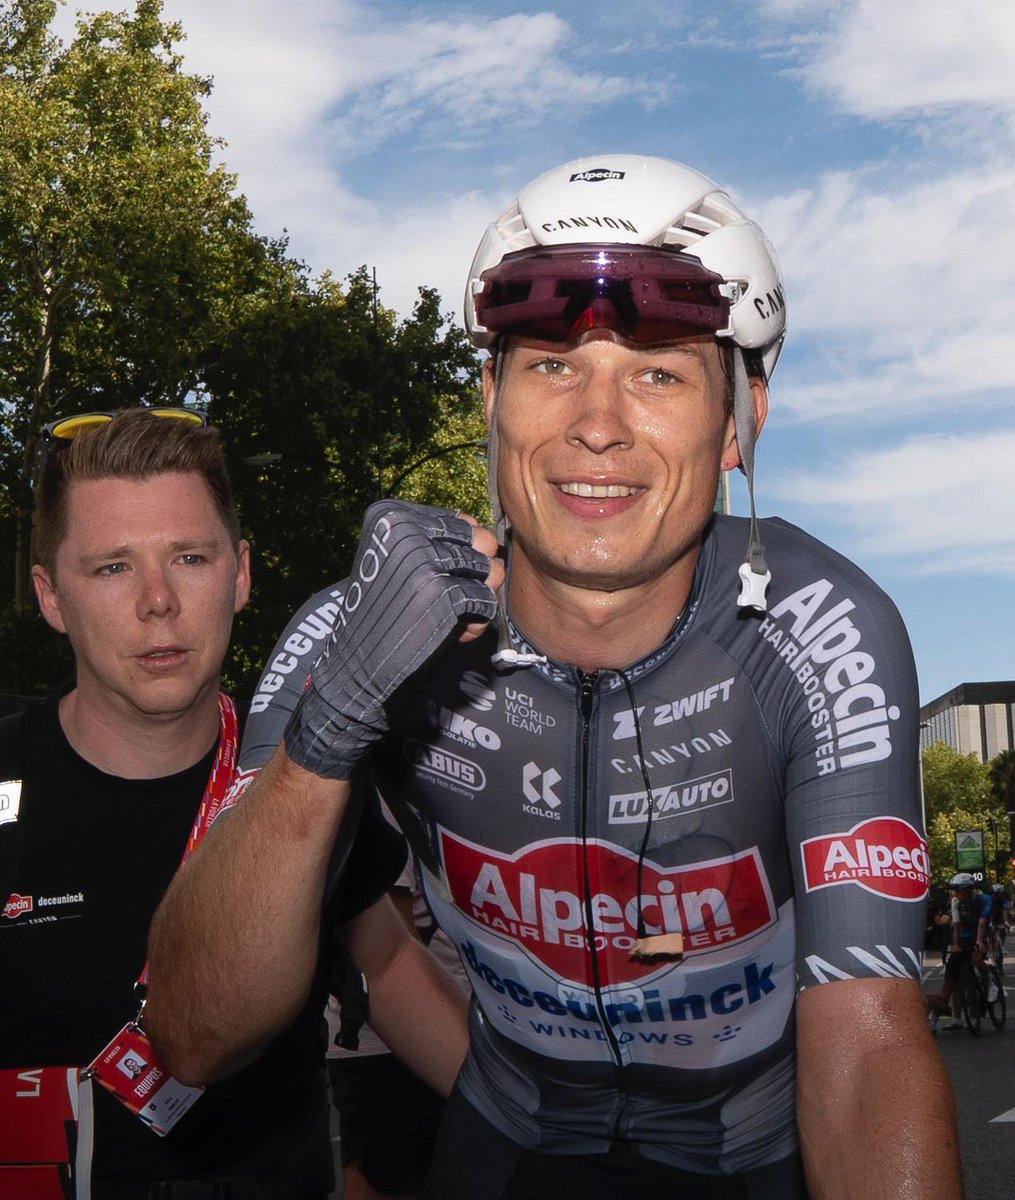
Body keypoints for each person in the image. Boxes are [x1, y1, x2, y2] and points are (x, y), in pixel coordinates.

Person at [145, 154, 964, 1199]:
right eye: (550, 366)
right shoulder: (356, 635)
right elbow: (193, 1034)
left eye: (659, 372)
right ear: (490, 395)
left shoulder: (820, 631)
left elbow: (866, 1042)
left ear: (741, 420)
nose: (598, 423)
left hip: (754, 1156)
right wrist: (332, 726)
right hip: (506, 1141)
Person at [0, 409, 467, 1200]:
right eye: (112, 568)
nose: (158, 601)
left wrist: (550, 1136)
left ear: (240, 574)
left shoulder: (304, 778)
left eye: (189, 557)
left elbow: (384, 962)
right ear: (50, 596)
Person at [928, 873, 992, 1031]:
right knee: (952, 978)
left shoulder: (984, 900)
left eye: (959, 891)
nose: (956, 894)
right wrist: (955, 945)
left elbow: (982, 923)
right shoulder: (956, 902)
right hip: (963, 938)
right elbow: (956, 926)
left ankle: (990, 981)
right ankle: (950, 1019)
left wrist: (979, 941)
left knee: (976, 959)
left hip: (980, 935)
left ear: (969, 889)